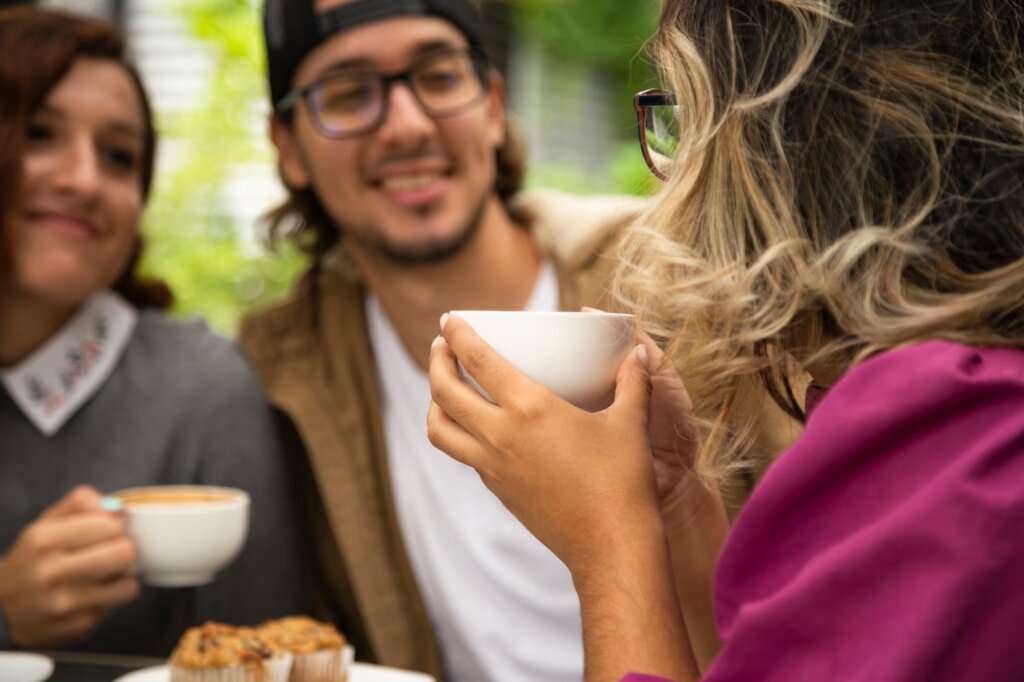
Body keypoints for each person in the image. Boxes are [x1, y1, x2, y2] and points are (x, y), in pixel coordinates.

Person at [427, 0, 1024, 680]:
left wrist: (605, 539)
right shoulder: (966, 398)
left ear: (806, 142)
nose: (678, 178)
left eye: (689, 116)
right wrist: (673, 499)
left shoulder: (948, 434)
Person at [242, 1, 797, 679]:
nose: (408, 126)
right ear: (288, 148)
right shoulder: (282, 367)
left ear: (494, 104)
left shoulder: (687, 280)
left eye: (440, 77)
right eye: (350, 94)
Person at [0, 7, 311, 657]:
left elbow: (265, 654)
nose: (84, 180)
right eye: (38, 133)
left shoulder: (200, 388)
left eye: (119, 156)